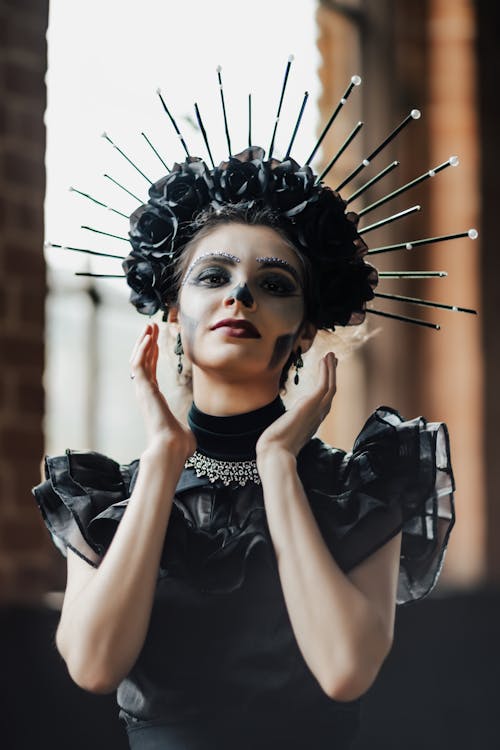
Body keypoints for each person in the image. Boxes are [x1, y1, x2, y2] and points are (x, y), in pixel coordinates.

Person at [33, 129, 456, 748]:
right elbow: (94, 665)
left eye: (276, 284)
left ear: (307, 330)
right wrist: (161, 461)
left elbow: (345, 671)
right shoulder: (108, 496)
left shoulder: (362, 485)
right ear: (174, 313)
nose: (241, 295)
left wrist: (278, 462)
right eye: (212, 275)